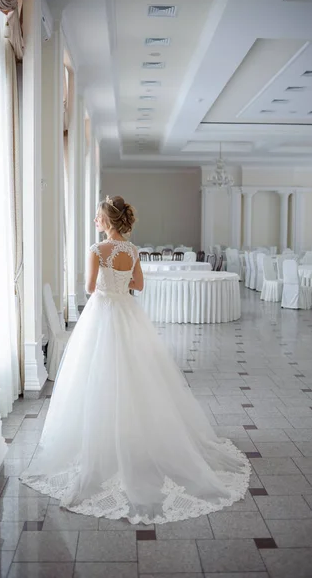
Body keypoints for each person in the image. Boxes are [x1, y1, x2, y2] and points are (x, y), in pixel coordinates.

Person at [20, 195, 250, 524]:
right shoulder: (131, 251)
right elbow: (138, 285)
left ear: (108, 221)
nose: (96, 222)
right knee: (138, 375)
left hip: (101, 314)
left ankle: (104, 441)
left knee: (97, 376)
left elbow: (88, 288)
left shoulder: (96, 250)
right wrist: (121, 283)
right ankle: (136, 436)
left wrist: (104, 284)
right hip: (127, 313)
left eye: (98, 217)